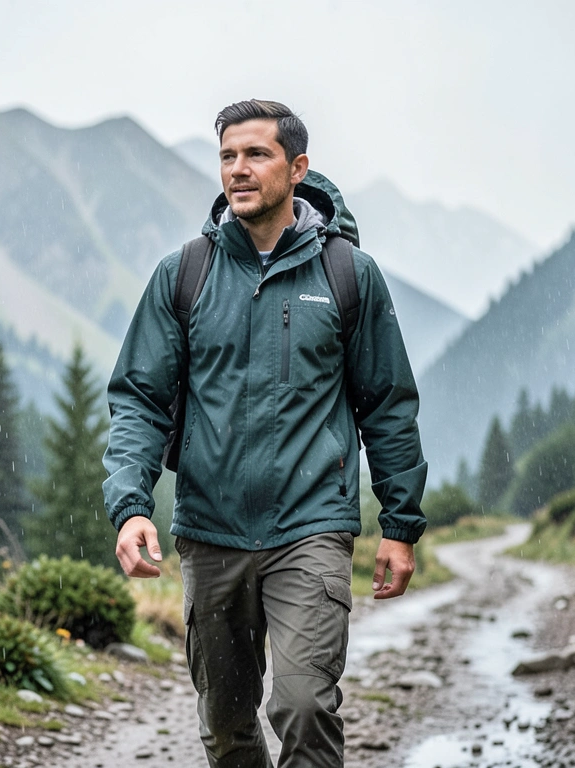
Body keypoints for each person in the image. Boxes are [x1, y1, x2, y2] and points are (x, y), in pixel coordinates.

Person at [102, 99, 428, 768]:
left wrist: (400, 523)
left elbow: (387, 405)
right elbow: (139, 399)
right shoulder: (184, 274)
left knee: (305, 706)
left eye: (256, 154)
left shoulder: (348, 276)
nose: (238, 170)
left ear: (297, 167)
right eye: (227, 156)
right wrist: (130, 506)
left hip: (311, 527)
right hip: (210, 532)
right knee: (225, 724)